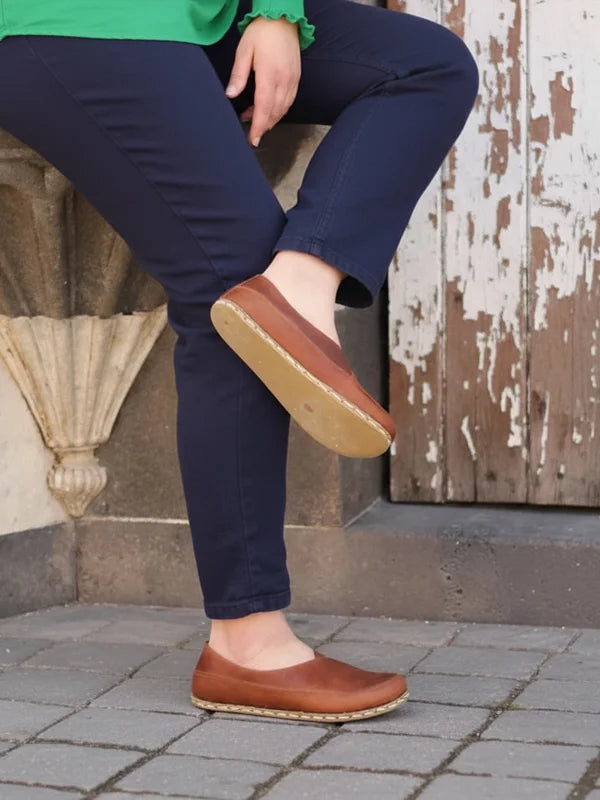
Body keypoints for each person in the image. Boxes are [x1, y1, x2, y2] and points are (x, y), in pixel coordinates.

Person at [0, 0, 478, 722]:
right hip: (81, 20)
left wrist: (274, 11)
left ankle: (298, 286)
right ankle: (246, 643)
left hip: (200, 13)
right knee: (225, 278)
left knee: (425, 66)